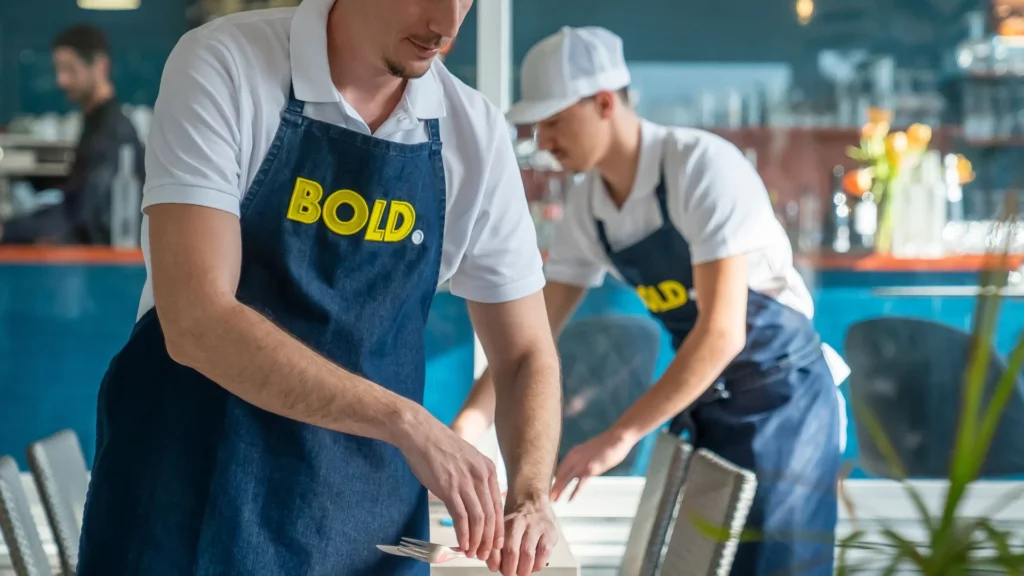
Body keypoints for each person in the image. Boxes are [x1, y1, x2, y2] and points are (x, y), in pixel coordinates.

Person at [76, 1, 562, 575]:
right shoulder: (226, 65)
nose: (447, 23)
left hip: (365, 531)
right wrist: (408, 424)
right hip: (188, 501)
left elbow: (526, 352)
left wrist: (530, 496)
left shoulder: (473, 133)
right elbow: (197, 320)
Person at [451, 26, 848, 575]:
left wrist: (617, 438)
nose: (542, 140)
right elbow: (532, 335)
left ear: (605, 102)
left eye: (554, 121)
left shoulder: (702, 167)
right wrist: (465, 429)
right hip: (710, 405)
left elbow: (722, 333)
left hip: (785, 402)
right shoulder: (590, 207)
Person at [1, 24, 144, 245]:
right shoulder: (95, 123)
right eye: (58, 70)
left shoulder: (113, 132)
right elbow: (79, 191)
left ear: (100, 66)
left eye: (69, 69)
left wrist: (8, 230)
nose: (61, 80)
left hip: (103, 270)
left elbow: (83, 215)